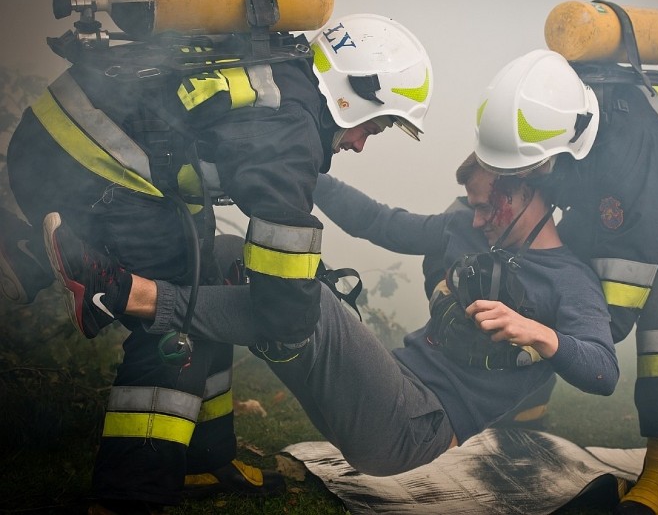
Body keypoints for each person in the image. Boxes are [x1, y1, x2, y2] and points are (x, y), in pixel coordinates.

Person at [1, 11, 433, 514]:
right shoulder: (289, 124)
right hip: (84, 170)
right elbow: (283, 249)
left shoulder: (283, 70)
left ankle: (205, 458)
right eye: (372, 128)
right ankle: (128, 495)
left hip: (54, 148)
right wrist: (290, 328)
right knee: (176, 323)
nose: (359, 144)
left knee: (202, 285)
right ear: (351, 93)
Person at [41, 152, 619, 478]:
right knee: (228, 256)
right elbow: (377, 220)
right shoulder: (460, 229)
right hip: (380, 389)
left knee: (305, 298)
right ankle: (205, 448)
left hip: (414, 428)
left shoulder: (569, 280)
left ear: (521, 197)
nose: (475, 221)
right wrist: (292, 165)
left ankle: (119, 296)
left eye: (486, 207)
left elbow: (602, 371)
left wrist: (538, 332)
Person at [473, 49, 658, 515]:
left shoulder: (627, 148)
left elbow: (629, 273)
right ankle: (526, 406)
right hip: (628, 177)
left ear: (566, 142)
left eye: (526, 169)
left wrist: (581, 344)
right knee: (555, 259)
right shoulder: (543, 119)